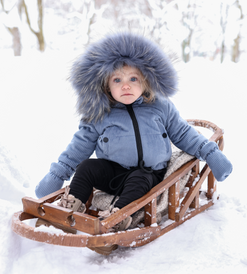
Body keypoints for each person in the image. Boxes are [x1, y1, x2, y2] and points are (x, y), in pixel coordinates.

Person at [35, 32, 233, 239]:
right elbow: (79, 147)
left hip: (148, 174)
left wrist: (211, 153)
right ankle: (70, 208)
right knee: (87, 167)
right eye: (117, 79)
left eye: (133, 78)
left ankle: (118, 215)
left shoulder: (160, 106)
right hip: (113, 172)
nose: (126, 85)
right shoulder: (99, 114)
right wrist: (57, 174)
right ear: (106, 85)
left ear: (146, 81)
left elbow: (184, 133)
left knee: (139, 178)